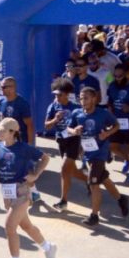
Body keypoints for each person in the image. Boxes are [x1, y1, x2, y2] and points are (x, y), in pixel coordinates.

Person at [0, 118, 57, 258]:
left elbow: (45, 158)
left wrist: (35, 175)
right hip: (6, 193)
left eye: (2, 130)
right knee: (26, 226)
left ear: (12, 132)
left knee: (9, 227)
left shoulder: (24, 148)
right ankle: (48, 247)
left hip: (21, 191)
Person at [67, 87, 129, 226]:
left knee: (93, 182)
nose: (83, 101)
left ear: (94, 99)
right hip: (87, 153)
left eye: (86, 98)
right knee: (103, 178)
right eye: (81, 98)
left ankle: (94, 216)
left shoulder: (103, 113)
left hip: (100, 152)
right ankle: (121, 199)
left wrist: (107, 133)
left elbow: (116, 125)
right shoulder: (77, 113)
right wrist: (74, 131)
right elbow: (68, 128)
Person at [44, 78, 85, 210]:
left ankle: (63, 201)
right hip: (61, 141)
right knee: (71, 171)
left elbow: (82, 126)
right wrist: (55, 119)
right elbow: (46, 126)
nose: (57, 97)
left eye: (60, 95)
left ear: (67, 94)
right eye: (55, 94)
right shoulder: (53, 106)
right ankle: (90, 181)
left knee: (63, 169)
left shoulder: (75, 108)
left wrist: (82, 143)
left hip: (73, 141)